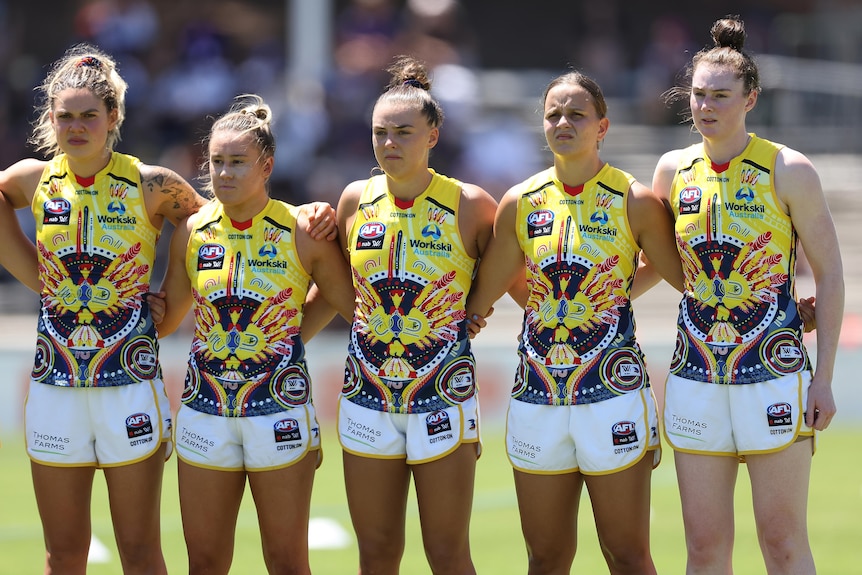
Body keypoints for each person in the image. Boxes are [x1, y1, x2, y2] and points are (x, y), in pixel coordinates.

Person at [465, 70, 684, 574]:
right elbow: (493, 285)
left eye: (577, 114)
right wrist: (471, 318)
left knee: (627, 555)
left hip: (614, 396)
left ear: (603, 126)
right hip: (536, 397)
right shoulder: (520, 202)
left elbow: (687, 278)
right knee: (545, 558)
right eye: (553, 114)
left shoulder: (635, 201)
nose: (563, 122)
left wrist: (612, 293)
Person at [0, 43, 207, 574]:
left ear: (113, 117)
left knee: (139, 552)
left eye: (89, 115)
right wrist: (36, 277)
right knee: (63, 553)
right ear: (50, 119)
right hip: (54, 385)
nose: (76, 127)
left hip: (130, 387)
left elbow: (212, 227)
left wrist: (175, 299)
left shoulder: (150, 182)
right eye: (64, 116)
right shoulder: (32, 179)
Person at [652, 15, 844, 573]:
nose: (705, 106)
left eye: (720, 95)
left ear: (750, 99)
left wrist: (824, 378)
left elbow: (830, 275)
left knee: (782, 544)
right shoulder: (672, 170)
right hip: (695, 376)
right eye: (697, 94)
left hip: (775, 374)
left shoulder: (789, 169)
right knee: (704, 549)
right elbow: (653, 264)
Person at [156, 94, 354, 574]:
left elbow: (345, 298)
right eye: (217, 162)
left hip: (279, 411)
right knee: (203, 563)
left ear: (266, 166)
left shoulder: (303, 229)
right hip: (204, 410)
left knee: (286, 562)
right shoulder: (191, 231)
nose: (224, 173)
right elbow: (167, 318)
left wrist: (291, 336)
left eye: (237, 162)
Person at [331, 55, 497, 574]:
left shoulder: (471, 204)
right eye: (380, 132)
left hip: (442, 396)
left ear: (434, 135)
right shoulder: (354, 201)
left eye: (403, 132)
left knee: (447, 554)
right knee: (376, 553)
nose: (389, 143)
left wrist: (475, 310)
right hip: (366, 395)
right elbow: (338, 289)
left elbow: (509, 279)